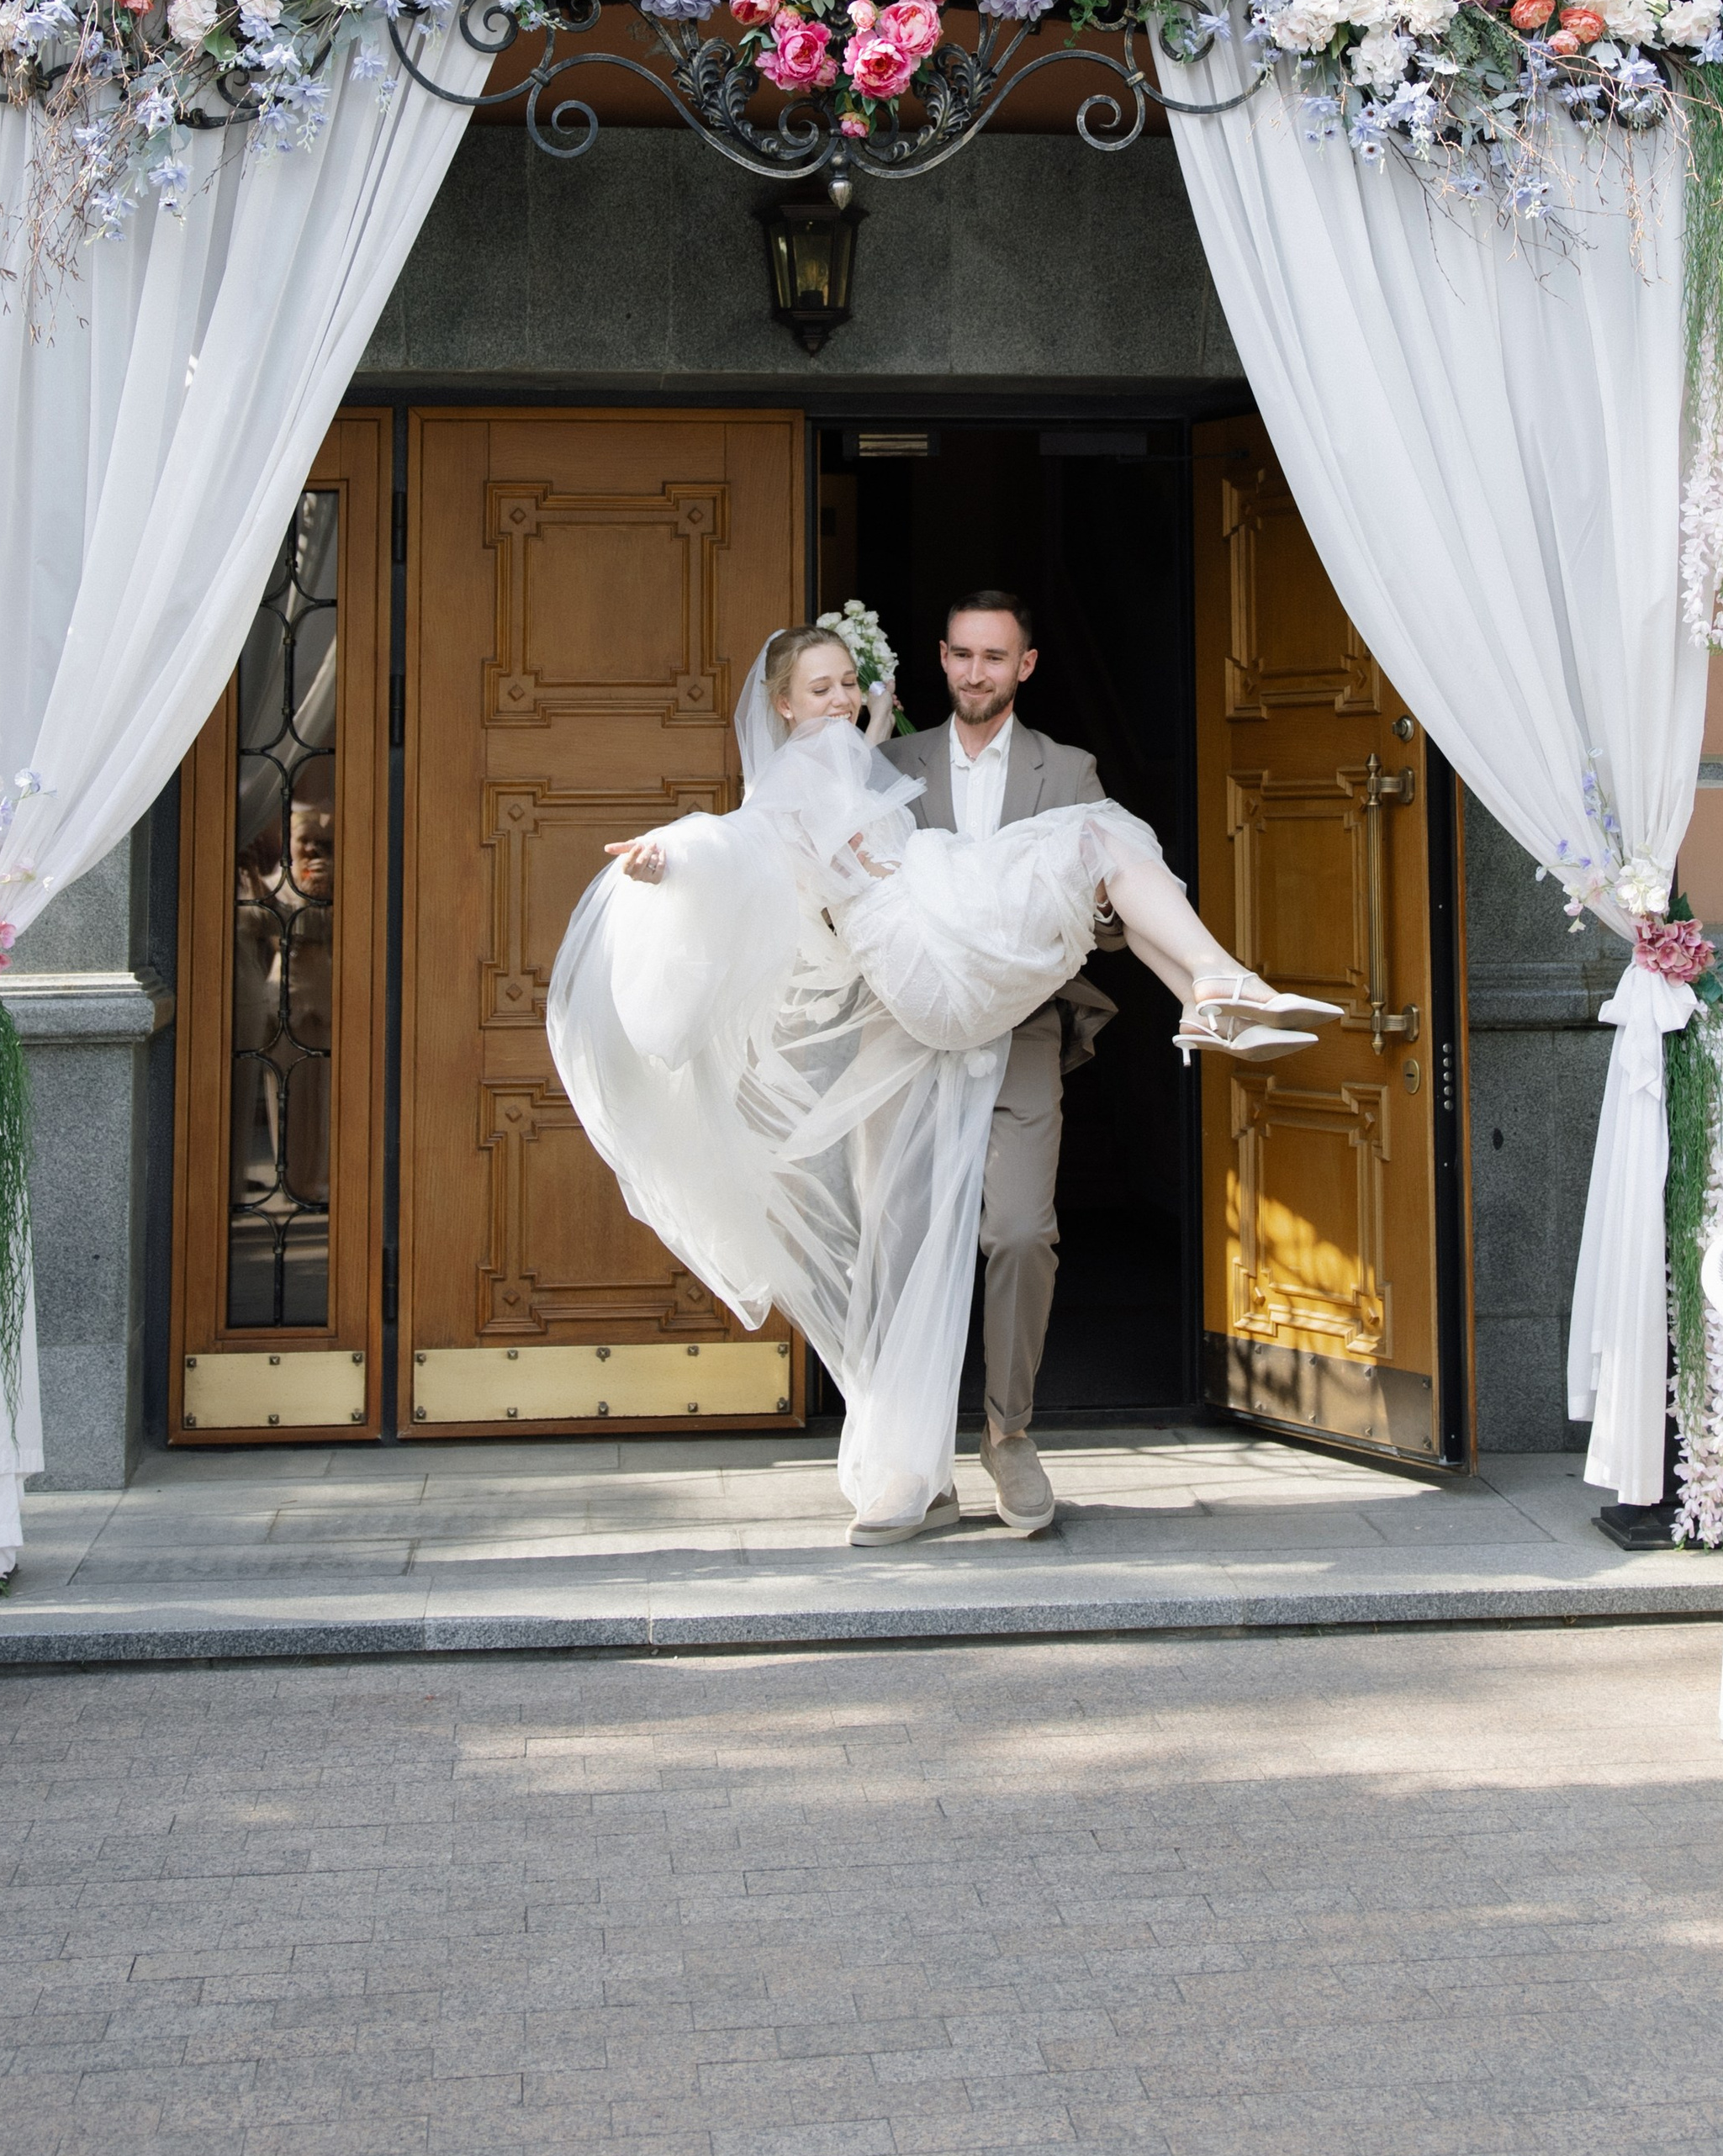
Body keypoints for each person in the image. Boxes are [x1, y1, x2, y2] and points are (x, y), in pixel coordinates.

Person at [547, 626, 1335, 1548]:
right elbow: (737, 838)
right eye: (821, 686)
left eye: (849, 681)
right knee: (1101, 833)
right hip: (923, 941)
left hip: (931, 923)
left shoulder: (843, 749)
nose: (841, 698)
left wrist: (867, 718)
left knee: (1105, 836)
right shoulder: (794, 779)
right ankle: (1213, 985)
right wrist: (668, 858)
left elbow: (839, 774)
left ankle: (1210, 993)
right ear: (782, 704)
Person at [878, 589, 1118, 1538]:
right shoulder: (888, 765)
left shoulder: (1069, 770)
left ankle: (1008, 1433)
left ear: (1026, 666)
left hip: (1021, 1028)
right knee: (904, 1244)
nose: (976, 672)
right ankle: (913, 1452)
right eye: (962, 655)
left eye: (995, 657)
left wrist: (1094, 910)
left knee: (1019, 1229)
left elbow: (1106, 911)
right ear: (940, 659)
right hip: (909, 1031)